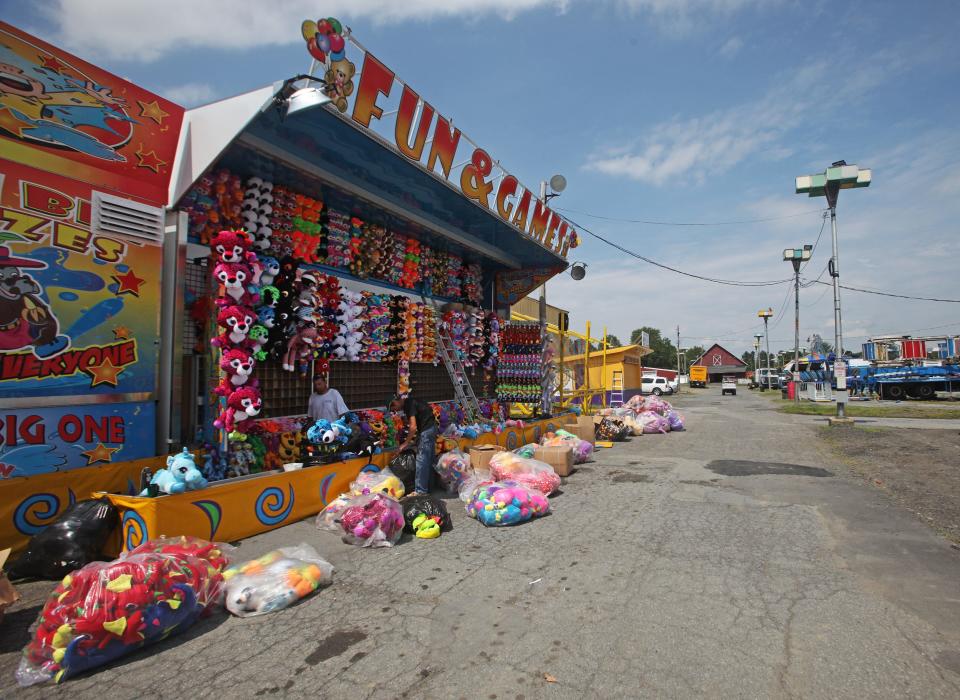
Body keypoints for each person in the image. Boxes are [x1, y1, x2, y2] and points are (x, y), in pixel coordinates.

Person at [389, 393, 437, 496]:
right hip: (431, 428)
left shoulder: (409, 404)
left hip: (426, 431)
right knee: (429, 459)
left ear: (396, 401)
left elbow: (413, 427)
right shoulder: (413, 401)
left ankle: (420, 491)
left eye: (393, 407)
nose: (395, 410)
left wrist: (405, 443)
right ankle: (430, 486)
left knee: (422, 461)